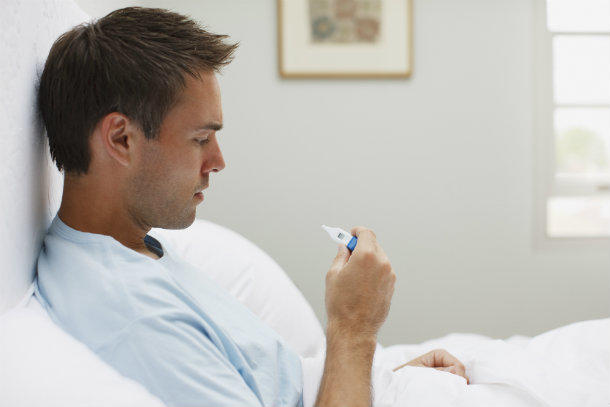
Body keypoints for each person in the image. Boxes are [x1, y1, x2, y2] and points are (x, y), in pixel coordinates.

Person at [34, 7, 467, 407]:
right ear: (121, 139)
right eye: (201, 139)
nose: (218, 162)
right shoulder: (131, 317)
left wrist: (385, 380)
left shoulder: (131, 249)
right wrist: (353, 327)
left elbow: (270, 383)